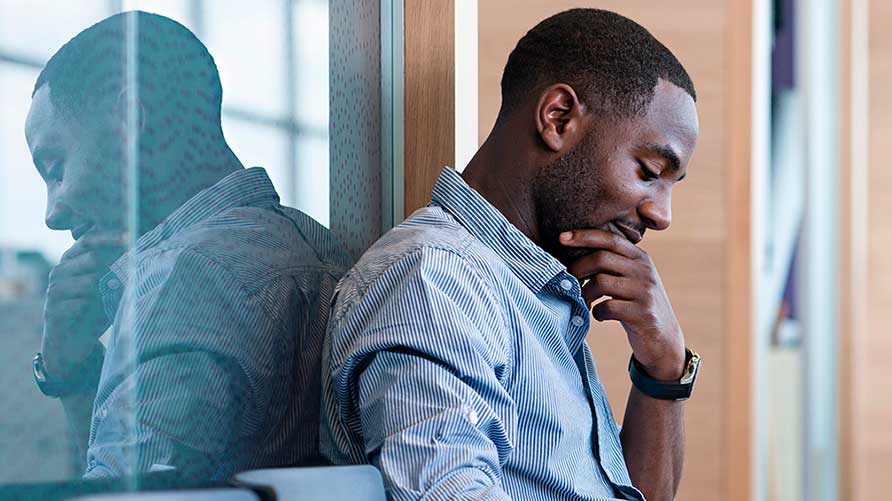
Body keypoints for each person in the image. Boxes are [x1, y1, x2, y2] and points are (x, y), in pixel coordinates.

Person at [321, 8, 700, 501]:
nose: (662, 215)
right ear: (558, 118)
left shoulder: (529, 292)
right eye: (649, 171)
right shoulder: (435, 282)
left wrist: (664, 369)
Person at [24, 11, 352, 480]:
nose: (52, 213)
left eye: (55, 168)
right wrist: (73, 374)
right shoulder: (314, 245)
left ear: (127, 121)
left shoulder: (184, 279)